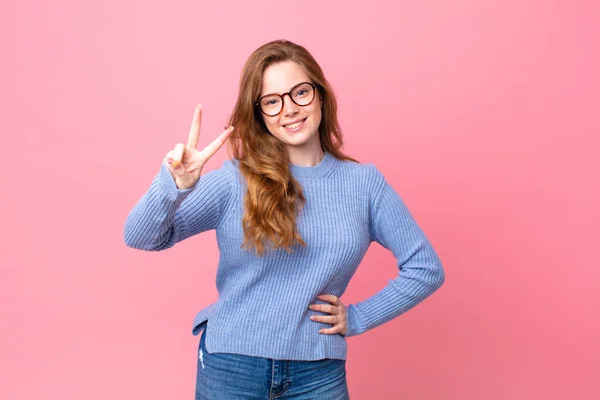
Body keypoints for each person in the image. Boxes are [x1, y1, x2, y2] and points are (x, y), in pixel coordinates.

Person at [124, 39, 445, 400]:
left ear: (321, 96)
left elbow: (426, 268)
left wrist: (357, 318)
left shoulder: (364, 184)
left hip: (318, 373)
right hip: (232, 365)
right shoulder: (235, 180)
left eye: (300, 93)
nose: (289, 109)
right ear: (260, 113)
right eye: (273, 101)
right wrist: (175, 184)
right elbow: (141, 236)